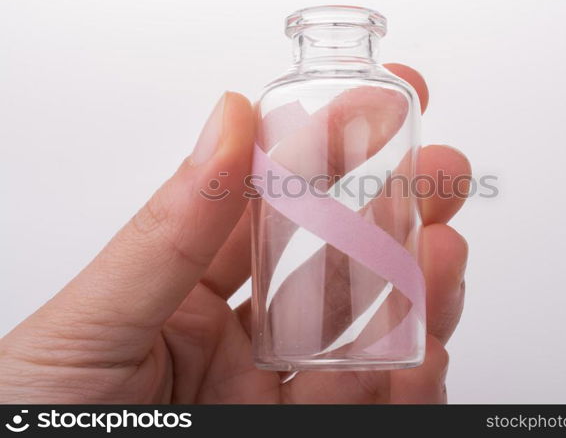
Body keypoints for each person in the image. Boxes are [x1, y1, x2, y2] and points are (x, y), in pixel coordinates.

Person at [0, 64, 470, 404]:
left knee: (412, 249)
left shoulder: (393, 95)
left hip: (361, 352)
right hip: (265, 351)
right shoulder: (280, 97)